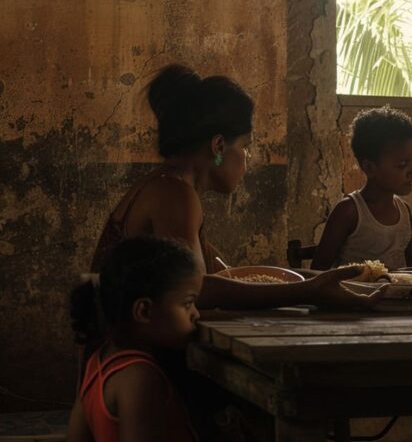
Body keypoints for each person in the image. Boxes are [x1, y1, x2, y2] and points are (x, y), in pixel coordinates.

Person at [89, 64, 382, 311]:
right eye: (245, 146)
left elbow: (223, 275)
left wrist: (314, 279)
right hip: (130, 361)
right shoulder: (175, 196)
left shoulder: (168, 186)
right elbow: (197, 290)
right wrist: (307, 291)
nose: (248, 159)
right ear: (218, 145)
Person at [68, 236, 203, 442]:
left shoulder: (98, 361)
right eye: (188, 303)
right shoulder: (140, 377)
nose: (196, 315)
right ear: (144, 311)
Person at [311, 106, 412, 271]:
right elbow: (318, 273)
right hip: (352, 296)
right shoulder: (349, 212)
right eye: (402, 165)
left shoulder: (404, 211)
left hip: (397, 296)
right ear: (370, 167)